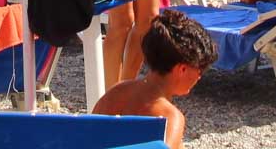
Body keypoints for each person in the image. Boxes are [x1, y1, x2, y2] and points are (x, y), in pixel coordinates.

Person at [93, 10, 217, 149]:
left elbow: (86, 134)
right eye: (200, 70)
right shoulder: (170, 118)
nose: (199, 77)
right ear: (182, 69)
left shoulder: (116, 92)